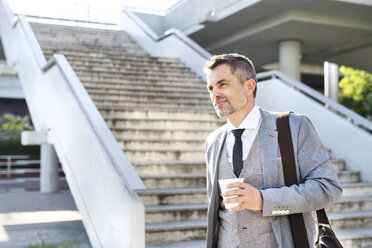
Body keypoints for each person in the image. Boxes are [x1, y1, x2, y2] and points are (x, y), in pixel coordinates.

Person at [204, 53, 342, 248]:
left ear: (249, 86)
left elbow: (328, 187)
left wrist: (264, 200)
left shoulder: (293, 126)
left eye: (222, 84)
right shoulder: (212, 142)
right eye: (211, 88)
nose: (215, 93)